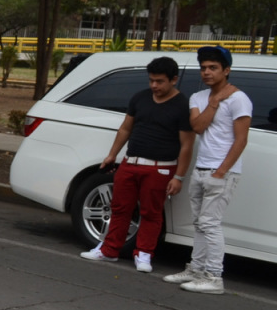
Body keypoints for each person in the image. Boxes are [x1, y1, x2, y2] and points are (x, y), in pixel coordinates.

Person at [79, 56, 193, 272]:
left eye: (159, 81)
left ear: (174, 80)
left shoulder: (182, 105)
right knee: (120, 208)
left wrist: (178, 176)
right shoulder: (140, 98)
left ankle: (144, 254)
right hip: (130, 162)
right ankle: (109, 250)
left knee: (151, 212)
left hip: (160, 167)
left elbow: (187, 144)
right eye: (151, 80)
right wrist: (112, 154)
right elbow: (125, 128)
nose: (154, 86)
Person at [163, 45, 252, 294]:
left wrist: (221, 172)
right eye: (203, 68)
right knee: (199, 223)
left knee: (210, 224)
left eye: (213, 67)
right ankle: (196, 269)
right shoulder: (198, 98)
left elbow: (241, 140)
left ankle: (214, 277)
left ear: (226, 70)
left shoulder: (239, 99)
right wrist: (214, 102)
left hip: (222, 172)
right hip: (201, 169)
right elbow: (198, 127)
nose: (207, 72)